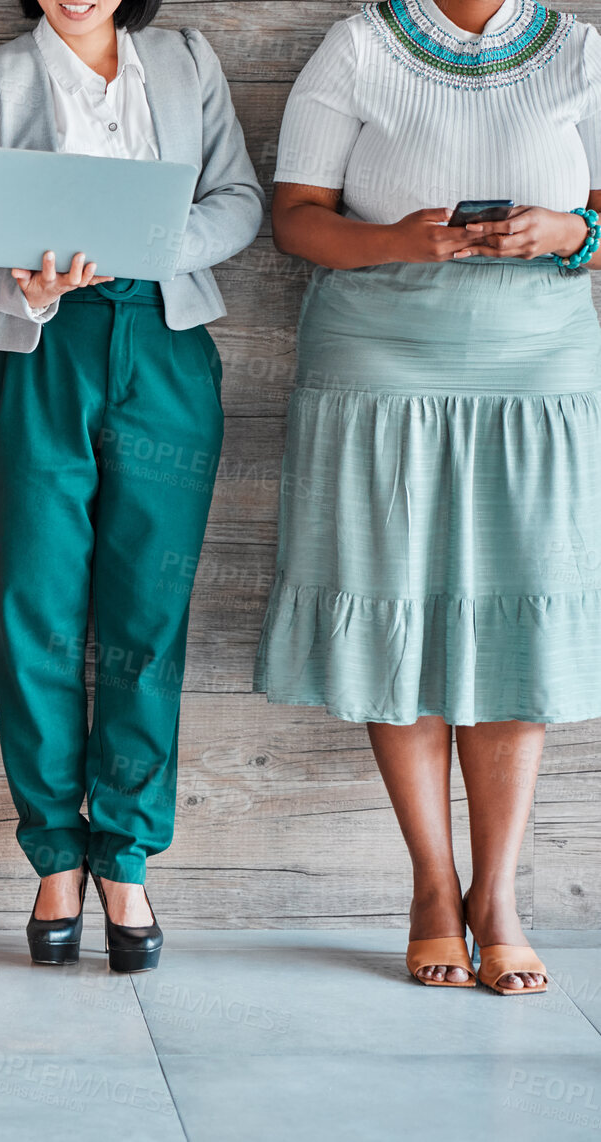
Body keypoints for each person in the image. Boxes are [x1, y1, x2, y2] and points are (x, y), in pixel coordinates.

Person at [257, 0, 601, 996]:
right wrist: (404, 242)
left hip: (535, 365)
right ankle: (430, 882)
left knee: (512, 613)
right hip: (378, 362)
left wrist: (571, 227)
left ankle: (496, 895)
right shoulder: (359, 43)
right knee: (393, 601)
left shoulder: (580, 51)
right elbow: (295, 219)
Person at [0, 0, 260, 972]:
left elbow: (239, 199)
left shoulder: (185, 60)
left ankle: (124, 852)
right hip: (42, 348)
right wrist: (27, 288)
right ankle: (53, 852)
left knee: (148, 616)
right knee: (31, 605)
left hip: (163, 344)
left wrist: (158, 243)